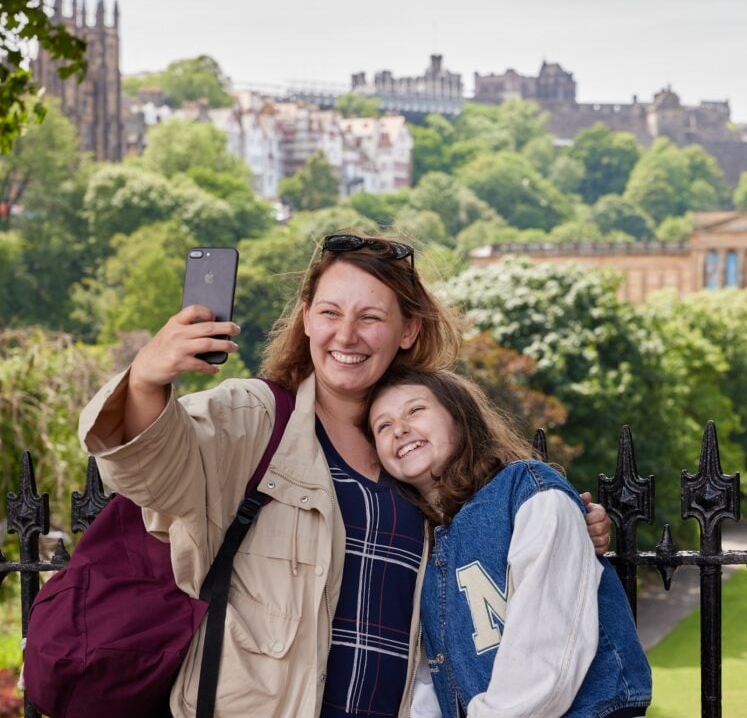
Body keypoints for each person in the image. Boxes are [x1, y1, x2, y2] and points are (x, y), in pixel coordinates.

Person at [77, 232, 612, 717]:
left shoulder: (420, 450)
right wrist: (147, 379)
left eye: (371, 317)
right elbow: (150, 472)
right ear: (307, 318)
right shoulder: (255, 418)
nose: (347, 335)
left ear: (408, 330)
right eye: (331, 312)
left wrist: (567, 520)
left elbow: (492, 544)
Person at [366, 367, 652, 718]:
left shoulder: (527, 492)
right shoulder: (419, 543)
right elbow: (427, 676)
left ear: (459, 416)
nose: (400, 429)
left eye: (415, 410)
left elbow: (547, 648)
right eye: (383, 425)